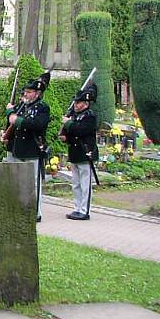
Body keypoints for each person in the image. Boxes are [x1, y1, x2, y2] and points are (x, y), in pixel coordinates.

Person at [2, 71, 50, 222]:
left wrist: (17, 120)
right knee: (18, 183)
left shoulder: (42, 107)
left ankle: (35, 212)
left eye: (29, 92)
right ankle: (20, 209)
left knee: (34, 184)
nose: (26, 94)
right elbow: (12, 121)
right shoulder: (22, 106)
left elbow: (37, 124)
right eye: (25, 92)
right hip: (18, 149)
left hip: (32, 150)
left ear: (37, 93)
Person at [59, 84, 98, 220]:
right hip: (75, 153)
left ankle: (84, 210)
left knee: (85, 184)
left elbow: (81, 130)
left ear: (86, 103)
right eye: (75, 102)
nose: (76, 104)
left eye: (79, 102)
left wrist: (68, 123)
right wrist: (65, 137)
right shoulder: (75, 115)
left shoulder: (89, 116)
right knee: (76, 184)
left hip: (85, 152)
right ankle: (76, 207)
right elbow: (72, 134)